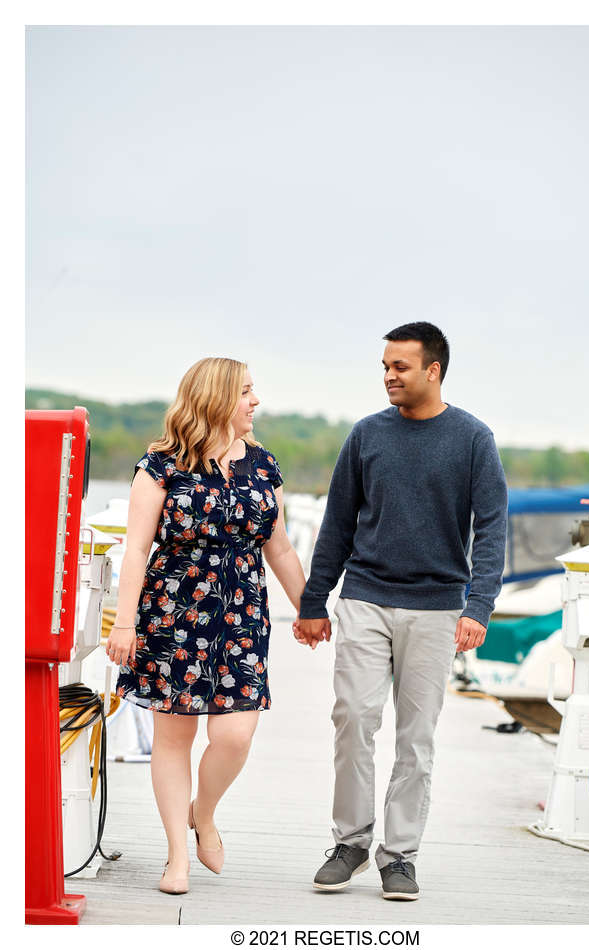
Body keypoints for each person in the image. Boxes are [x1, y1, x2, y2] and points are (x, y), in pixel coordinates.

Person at [294, 322, 508, 901]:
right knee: (354, 719)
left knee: (416, 739)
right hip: (364, 597)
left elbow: (490, 531)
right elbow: (337, 523)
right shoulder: (367, 435)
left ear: (433, 370)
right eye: (385, 366)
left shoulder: (472, 439)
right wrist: (315, 600)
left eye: (401, 367)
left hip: (438, 608)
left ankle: (400, 856)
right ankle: (350, 844)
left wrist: (479, 605)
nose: (389, 376)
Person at [105, 356, 310, 895]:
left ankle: (205, 812)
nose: (255, 401)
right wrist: (124, 625)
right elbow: (136, 553)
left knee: (235, 734)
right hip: (173, 614)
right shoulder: (160, 466)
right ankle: (177, 856)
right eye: (246, 391)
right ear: (218, 398)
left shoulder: (264, 465)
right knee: (174, 738)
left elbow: (281, 547)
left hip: (242, 614)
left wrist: (311, 609)